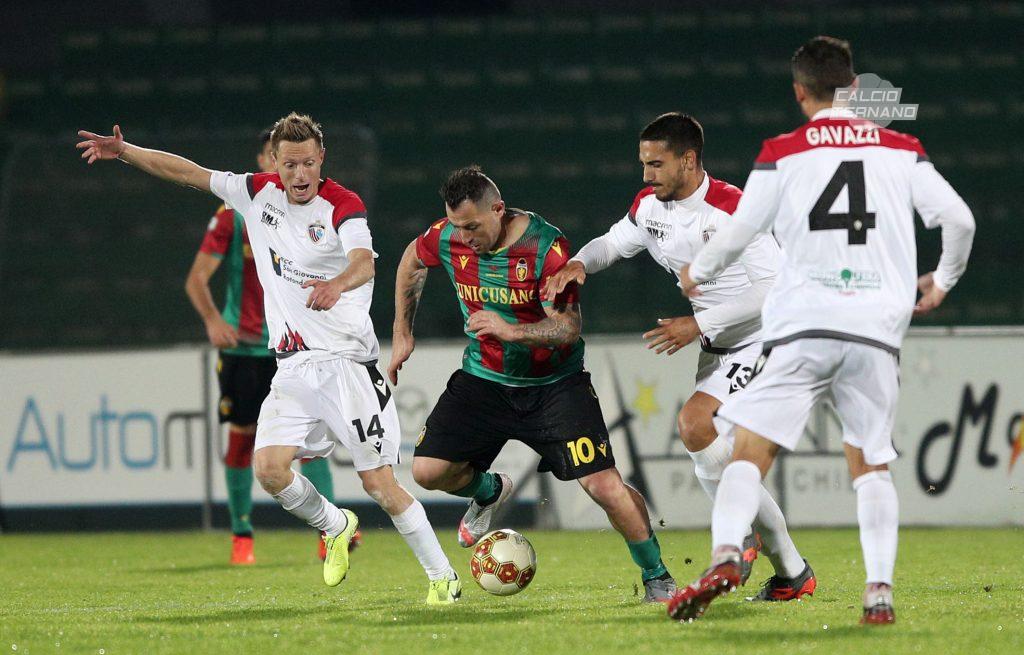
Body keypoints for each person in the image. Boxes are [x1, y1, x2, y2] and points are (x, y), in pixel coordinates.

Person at [77, 113, 461, 604]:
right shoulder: (255, 193)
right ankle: (334, 523)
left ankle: (442, 577)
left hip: (348, 368)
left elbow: (363, 262)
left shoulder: (343, 205)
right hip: (294, 368)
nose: (299, 175)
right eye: (289, 164)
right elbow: (190, 173)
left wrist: (336, 284)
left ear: (321, 159)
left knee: (380, 485)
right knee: (269, 468)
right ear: (273, 163)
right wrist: (126, 152)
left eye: (307, 163)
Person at [667, 37, 975, 624]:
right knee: (869, 466)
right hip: (873, 330)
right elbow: (959, 219)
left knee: (749, 455)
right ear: (854, 89)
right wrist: (942, 280)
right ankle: (878, 590)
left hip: (802, 326)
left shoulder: (782, 152)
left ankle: (728, 552)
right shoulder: (900, 146)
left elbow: (737, 234)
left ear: (800, 93)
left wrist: (697, 271)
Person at [544, 113, 814, 600]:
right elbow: (612, 243)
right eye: (643, 164)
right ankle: (791, 571)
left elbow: (776, 290)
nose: (646, 175)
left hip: (767, 338)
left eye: (657, 164)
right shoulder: (650, 205)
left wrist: (697, 323)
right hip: (720, 345)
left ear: (689, 160)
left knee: (694, 425)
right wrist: (580, 263)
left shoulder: (733, 209)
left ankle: (739, 537)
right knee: (722, 458)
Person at [389, 166, 676, 603]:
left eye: (472, 227)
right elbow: (412, 258)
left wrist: (509, 331)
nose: (464, 238)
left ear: (498, 210)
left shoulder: (546, 247)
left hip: (555, 386)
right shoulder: (446, 235)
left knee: (603, 486)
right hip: (484, 380)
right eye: (456, 227)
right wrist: (402, 331)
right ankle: (489, 491)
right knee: (428, 471)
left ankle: (657, 576)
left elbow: (567, 328)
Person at [185, 128, 352, 565]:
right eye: (277, 159)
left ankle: (327, 531)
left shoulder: (318, 212)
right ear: (269, 160)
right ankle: (242, 534)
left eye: (303, 163)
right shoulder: (235, 213)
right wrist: (213, 319)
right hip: (246, 349)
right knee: (243, 440)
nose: (289, 170)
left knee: (311, 442)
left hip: (300, 350)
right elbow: (196, 278)